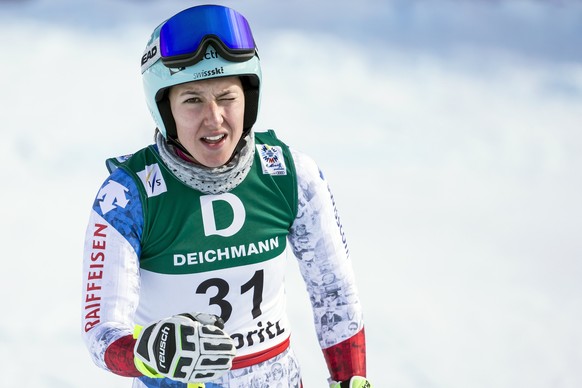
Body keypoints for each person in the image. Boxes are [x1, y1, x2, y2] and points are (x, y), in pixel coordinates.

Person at [80, 4, 372, 388]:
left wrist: (351, 379)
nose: (214, 118)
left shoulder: (290, 175)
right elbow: (101, 331)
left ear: (248, 100)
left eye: (227, 97)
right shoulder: (128, 196)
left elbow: (334, 296)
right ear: (164, 108)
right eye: (192, 100)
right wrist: (147, 351)